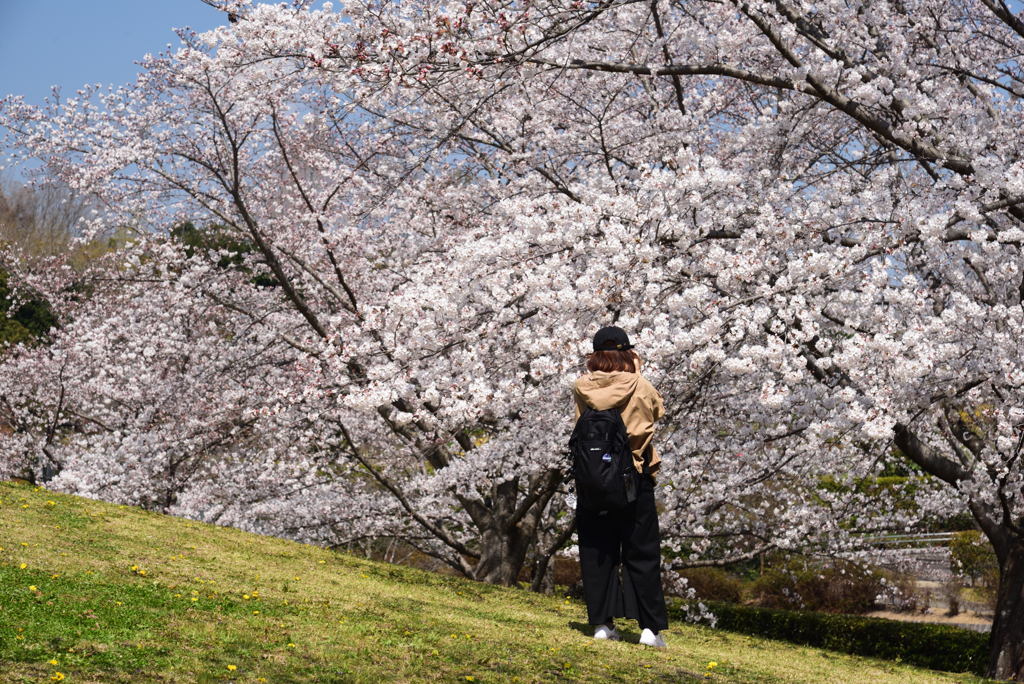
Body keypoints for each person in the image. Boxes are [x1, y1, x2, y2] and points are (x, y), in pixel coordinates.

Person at [572, 326, 669, 647]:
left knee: (597, 550)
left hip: (593, 480)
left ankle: (602, 625)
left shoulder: (581, 386)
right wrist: (637, 370)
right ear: (629, 352)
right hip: (633, 477)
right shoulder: (639, 384)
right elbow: (657, 410)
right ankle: (649, 631)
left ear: (596, 354)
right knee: (641, 552)